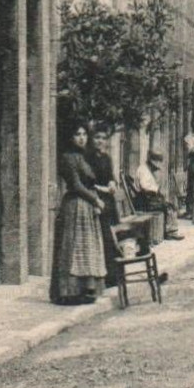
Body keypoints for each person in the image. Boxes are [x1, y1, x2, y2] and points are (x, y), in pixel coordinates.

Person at [52, 124, 109, 304]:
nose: (82, 138)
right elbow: (76, 186)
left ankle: (87, 288)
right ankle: (69, 291)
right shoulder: (67, 158)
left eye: (84, 134)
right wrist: (95, 200)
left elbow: (93, 181)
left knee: (88, 247)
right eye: (77, 134)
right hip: (75, 205)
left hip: (88, 207)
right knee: (74, 246)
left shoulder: (85, 157)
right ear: (71, 137)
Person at [85, 126, 122, 283]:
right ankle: (102, 277)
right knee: (100, 237)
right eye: (97, 137)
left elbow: (110, 176)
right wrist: (105, 188)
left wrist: (112, 183)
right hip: (96, 199)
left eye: (103, 138)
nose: (100, 141)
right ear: (92, 140)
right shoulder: (87, 158)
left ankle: (112, 276)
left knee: (109, 237)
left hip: (108, 201)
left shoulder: (107, 158)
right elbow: (88, 182)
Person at [131, 151, 184, 240]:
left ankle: (167, 230)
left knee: (169, 205)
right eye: (156, 162)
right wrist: (157, 191)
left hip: (147, 198)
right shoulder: (143, 170)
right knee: (169, 207)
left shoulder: (146, 169)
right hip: (143, 200)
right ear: (152, 161)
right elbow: (146, 188)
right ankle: (170, 232)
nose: (157, 166)